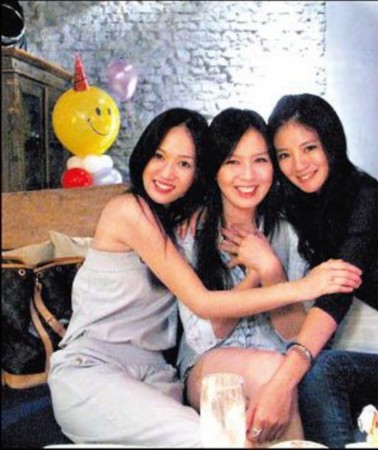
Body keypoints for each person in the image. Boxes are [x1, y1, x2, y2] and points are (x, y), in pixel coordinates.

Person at [47, 107, 362, 447]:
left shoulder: (188, 222)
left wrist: (269, 268)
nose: (168, 172)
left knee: (239, 421)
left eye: (184, 164)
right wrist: (296, 284)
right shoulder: (143, 216)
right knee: (215, 440)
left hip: (156, 377)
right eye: (159, 156)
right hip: (95, 364)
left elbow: (297, 335)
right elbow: (204, 308)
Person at [231, 93, 378, 448]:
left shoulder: (364, 197)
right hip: (346, 366)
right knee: (307, 374)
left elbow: (337, 295)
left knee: (315, 372)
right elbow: (240, 190)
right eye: (284, 155)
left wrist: (281, 381)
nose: (299, 165)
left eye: (309, 148)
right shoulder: (294, 204)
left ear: (330, 143)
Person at [176, 108, 312, 446]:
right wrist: (252, 276)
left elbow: (298, 335)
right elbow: (202, 337)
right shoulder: (190, 235)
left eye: (260, 160)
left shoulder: (288, 233)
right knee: (272, 375)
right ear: (215, 169)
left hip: (276, 362)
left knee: (272, 386)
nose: (248, 175)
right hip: (209, 366)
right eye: (232, 162)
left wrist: (271, 268)